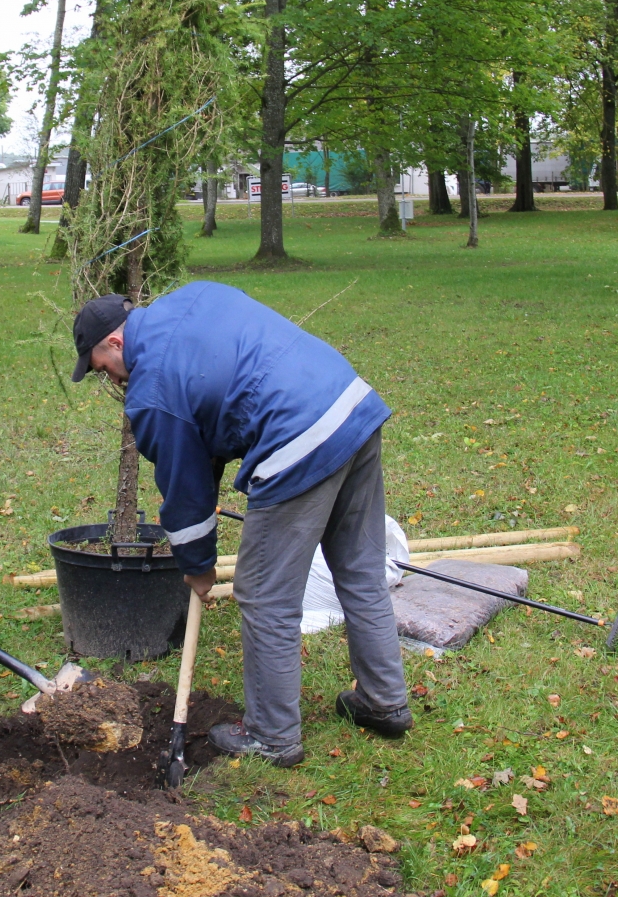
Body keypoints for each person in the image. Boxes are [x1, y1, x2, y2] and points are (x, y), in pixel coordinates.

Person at [72, 283, 410, 766]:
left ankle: (272, 734)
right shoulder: (193, 297)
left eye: (102, 367)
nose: (110, 379)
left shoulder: (152, 394)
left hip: (297, 437)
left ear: (116, 342)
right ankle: (384, 702)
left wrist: (198, 567)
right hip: (350, 404)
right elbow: (208, 428)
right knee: (358, 566)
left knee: (264, 592)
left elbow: (185, 492)